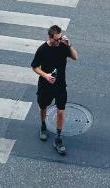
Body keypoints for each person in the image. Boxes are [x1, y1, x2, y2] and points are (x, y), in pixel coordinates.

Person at [31, 24, 78, 155]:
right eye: (56, 39)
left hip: (60, 85)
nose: (59, 41)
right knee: (43, 107)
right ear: (50, 37)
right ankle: (43, 125)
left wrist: (69, 45)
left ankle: (58, 137)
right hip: (46, 85)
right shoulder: (42, 49)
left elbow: (75, 57)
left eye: (60, 38)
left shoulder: (63, 45)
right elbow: (34, 66)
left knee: (61, 111)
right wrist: (45, 75)